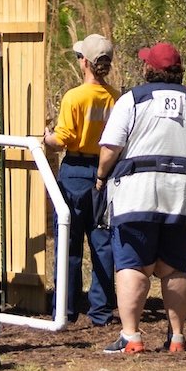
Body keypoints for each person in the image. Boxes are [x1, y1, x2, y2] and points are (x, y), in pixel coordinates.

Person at [94, 42, 186, 356]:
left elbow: (111, 147)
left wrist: (100, 176)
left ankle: (131, 336)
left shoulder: (132, 100)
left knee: (132, 264)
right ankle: (177, 337)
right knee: (175, 266)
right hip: (185, 196)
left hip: (137, 193)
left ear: (148, 70)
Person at [42, 33, 119, 328]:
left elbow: (62, 140)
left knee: (69, 241)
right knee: (102, 241)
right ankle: (101, 310)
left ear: (84, 62)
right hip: (104, 170)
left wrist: (46, 137)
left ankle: (66, 307)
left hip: (74, 171)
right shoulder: (115, 97)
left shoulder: (74, 97)